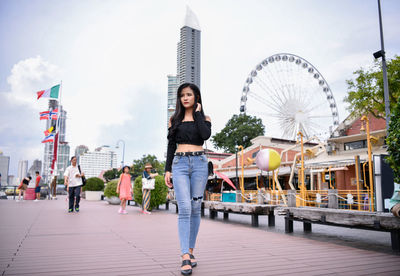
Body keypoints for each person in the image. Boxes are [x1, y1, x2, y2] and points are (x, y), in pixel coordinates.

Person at [164, 83, 211, 275]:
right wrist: (167, 170)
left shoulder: (205, 118)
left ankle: (191, 251)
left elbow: (205, 135)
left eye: (189, 95)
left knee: (194, 208)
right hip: (180, 164)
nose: (185, 98)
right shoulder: (174, 120)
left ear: (196, 97)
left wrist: (198, 114)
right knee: (184, 207)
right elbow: (170, 146)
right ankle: (184, 255)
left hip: (200, 163)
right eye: (182, 95)